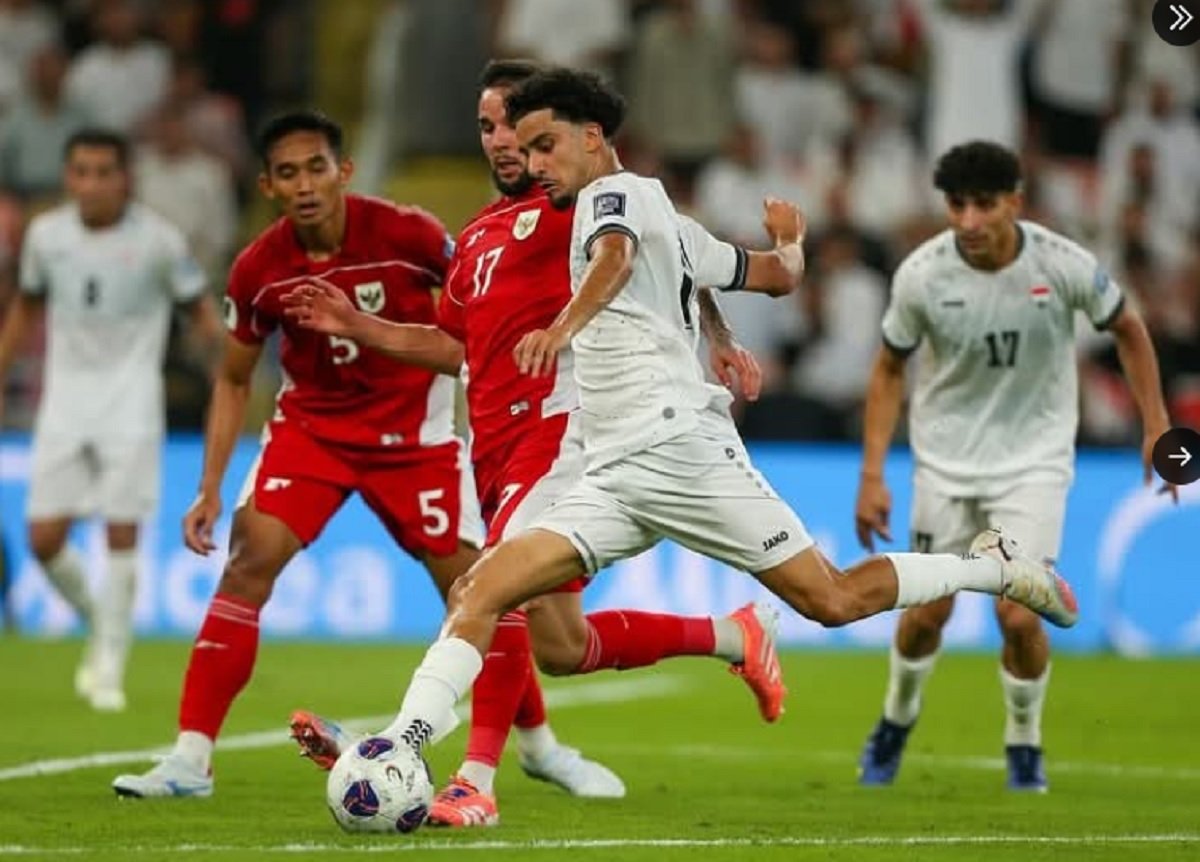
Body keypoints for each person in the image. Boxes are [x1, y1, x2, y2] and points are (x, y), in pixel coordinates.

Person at [335, 68, 1080, 784]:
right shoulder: (665, 217)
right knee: (483, 589)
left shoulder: (614, 196)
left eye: (545, 146)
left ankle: (992, 566)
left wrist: (562, 328)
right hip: (611, 471)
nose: (533, 164)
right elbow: (774, 276)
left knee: (832, 600)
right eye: (525, 150)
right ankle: (402, 746)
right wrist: (786, 245)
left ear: (592, 137)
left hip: (679, 450)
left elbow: (615, 257)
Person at [282, 60, 784, 828]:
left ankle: (462, 775)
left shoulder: (578, 208)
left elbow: (670, 249)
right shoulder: (478, 237)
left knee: (492, 589)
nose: (502, 142)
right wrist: (358, 326)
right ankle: (733, 635)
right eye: (487, 128)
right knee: (560, 644)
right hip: (494, 444)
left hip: (565, 431)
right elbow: (455, 346)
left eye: (517, 130)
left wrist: (716, 334)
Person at [109, 110, 604, 799]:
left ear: (342, 171)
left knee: (487, 590)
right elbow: (233, 377)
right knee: (249, 561)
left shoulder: (407, 234)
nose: (305, 185)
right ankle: (191, 759)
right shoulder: (258, 268)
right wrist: (210, 486)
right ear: (268, 186)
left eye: (316, 168)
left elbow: (482, 301)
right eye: (288, 174)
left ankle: (539, 745)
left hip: (415, 439)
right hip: (313, 433)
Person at [854, 140, 1176, 792]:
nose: (969, 220)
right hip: (944, 465)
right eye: (957, 205)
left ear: (1014, 202)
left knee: (1020, 613)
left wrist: (1156, 425)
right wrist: (871, 474)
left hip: (1033, 464)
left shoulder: (1061, 263)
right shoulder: (922, 274)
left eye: (984, 205)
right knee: (926, 616)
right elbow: (889, 367)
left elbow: (1129, 328)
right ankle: (896, 719)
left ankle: (1024, 743)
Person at [0, 128, 221, 711]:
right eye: (81, 171)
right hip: (64, 404)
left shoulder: (158, 240)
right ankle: (101, 620)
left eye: (104, 172)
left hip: (131, 404)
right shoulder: (46, 237)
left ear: (126, 179)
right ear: (67, 176)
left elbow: (199, 312)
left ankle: (109, 667)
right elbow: (25, 309)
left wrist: (226, 369)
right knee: (43, 538)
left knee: (121, 532)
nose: (91, 184)